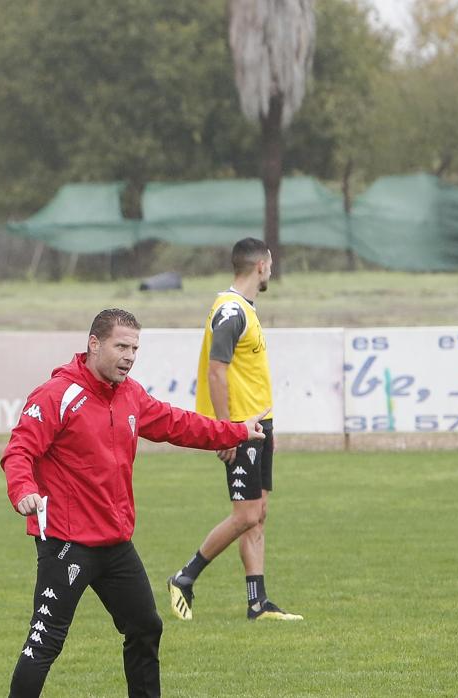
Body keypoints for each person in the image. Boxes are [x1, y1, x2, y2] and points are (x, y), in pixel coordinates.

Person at [1, 308, 269, 698]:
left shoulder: (130, 395)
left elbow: (179, 424)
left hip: (114, 544)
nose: (129, 356)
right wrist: (23, 490)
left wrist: (237, 431)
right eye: (121, 346)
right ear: (94, 344)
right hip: (66, 542)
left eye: (135, 348)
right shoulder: (57, 395)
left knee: (146, 626)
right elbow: (19, 450)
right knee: (45, 641)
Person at [166, 237, 302, 622]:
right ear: (261, 265)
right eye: (271, 264)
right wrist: (227, 430)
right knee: (244, 515)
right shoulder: (230, 311)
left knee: (258, 513)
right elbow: (216, 370)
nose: (271, 270)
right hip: (241, 428)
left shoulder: (244, 309)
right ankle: (184, 577)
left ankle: (257, 604)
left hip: (257, 426)